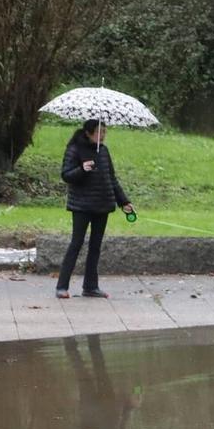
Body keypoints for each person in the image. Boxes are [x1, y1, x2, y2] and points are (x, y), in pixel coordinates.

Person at [56, 119, 135, 300]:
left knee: (95, 247)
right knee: (76, 244)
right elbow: (66, 175)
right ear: (88, 132)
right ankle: (62, 286)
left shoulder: (104, 151)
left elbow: (111, 179)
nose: (103, 135)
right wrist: (82, 169)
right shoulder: (75, 149)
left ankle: (91, 287)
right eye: (100, 132)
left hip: (102, 205)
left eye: (105, 132)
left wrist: (124, 202)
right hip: (81, 206)